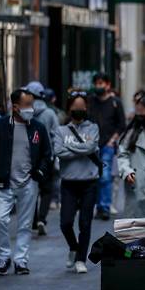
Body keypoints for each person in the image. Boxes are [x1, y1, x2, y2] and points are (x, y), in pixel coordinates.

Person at [0, 88, 52, 276]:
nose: (31, 108)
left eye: (32, 104)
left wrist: (40, 171)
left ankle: (21, 260)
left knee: (25, 224)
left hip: (29, 182)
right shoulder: (0, 126)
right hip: (3, 183)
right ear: (16, 106)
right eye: (27, 104)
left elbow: (47, 153)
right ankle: (4, 257)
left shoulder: (38, 127)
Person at [54, 93, 100, 274]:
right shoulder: (61, 130)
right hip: (69, 182)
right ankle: (73, 247)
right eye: (75, 106)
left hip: (89, 182)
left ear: (86, 108)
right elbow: (58, 151)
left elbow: (91, 148)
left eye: (82, 106)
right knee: (65, 222)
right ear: (69, 108)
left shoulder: (93, 128)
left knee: (85, 223)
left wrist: (71, 149)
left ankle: (81, 259)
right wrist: (82, 149)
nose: (79, 109)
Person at [88, 73, 126, 220]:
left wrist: (112, 140)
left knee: (104, 176)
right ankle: (99, 206)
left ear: (108, 85)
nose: (98, 86)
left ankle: (104, 207)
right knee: (95, 177)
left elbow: (121, 125)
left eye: (101, 83)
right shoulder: (90, 101)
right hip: (92, 146)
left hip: (108, 145)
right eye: (96, 83)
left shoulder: (115, 103)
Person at [24, 81, 60, 236]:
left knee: (30, 190)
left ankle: (32, 222)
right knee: (46, 190)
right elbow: (57, 135)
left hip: (27, 157)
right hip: (47, 157)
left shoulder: (24, 111)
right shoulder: (50, 113)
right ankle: (42, 220)